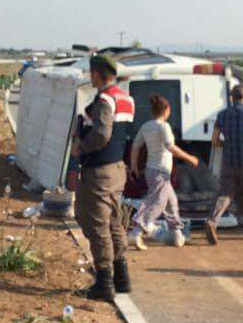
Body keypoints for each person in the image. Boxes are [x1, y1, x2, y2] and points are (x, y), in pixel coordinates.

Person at [72, 54, 135, 302]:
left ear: (97, 73)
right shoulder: (126, 99)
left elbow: (101, 135)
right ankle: (121, 275)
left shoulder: (105, 100)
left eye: (91, 73)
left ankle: (105, 281)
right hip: (117, 169)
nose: (90, 77)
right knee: (113, 222)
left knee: (96, 223)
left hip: (99, 172)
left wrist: (80, 147)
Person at [129, 94, 200, 251]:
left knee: (171, 202)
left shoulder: (146, 126)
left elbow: (135, 146)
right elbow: (170, 146)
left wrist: (134, 165)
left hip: (152, 170)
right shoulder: (164, 127)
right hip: (161, 171)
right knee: (157, 202)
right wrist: (190, 158)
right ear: (167, 110)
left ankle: (176, 233)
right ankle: (138, 230)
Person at [205, 84, 243, 245]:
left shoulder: (222, 115)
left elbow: (214, 140)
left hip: (229, 162)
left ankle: (212, 221)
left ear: (231, 97)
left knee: (225, 194)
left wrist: (226, 145)